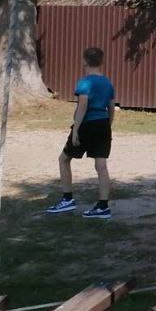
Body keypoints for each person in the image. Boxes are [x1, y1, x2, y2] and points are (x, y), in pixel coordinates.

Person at [45, 46, 117, 219]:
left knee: (64, 159)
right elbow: (111, 107)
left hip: (86, 125)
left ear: (85, 61)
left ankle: (67, 199)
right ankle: (103, 206)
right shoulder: (108, 83)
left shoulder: (84, 83)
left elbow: (82, 106)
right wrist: (108, 125)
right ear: (101, 61)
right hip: (103, 125)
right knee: (101, 166)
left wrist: (76, 129)